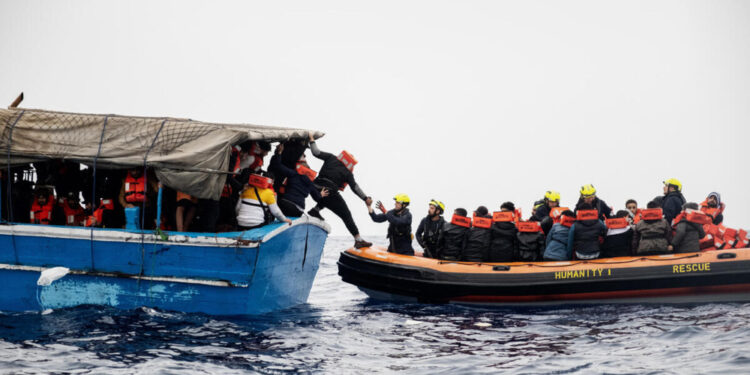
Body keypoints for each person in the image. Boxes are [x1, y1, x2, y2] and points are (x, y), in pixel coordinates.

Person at [306, 133, 372, 249]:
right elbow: (355, 187)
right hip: (329, 192)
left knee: (327, 198)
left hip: (315, 187)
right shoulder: (347, 172)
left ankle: (315, 210)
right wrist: (365, 198)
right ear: (350, 163)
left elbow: (315, 152)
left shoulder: (331, 157)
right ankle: (358, 240)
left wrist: (311, 140)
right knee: (346, 214)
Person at [269, 144, 328, 217]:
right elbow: (317, 197)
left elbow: (278, 165)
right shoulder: (310, 183)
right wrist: (321, 194)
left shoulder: (294, 174)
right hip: (298, 210)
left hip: (284, 204)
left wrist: (279, 153)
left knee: (275, 200)